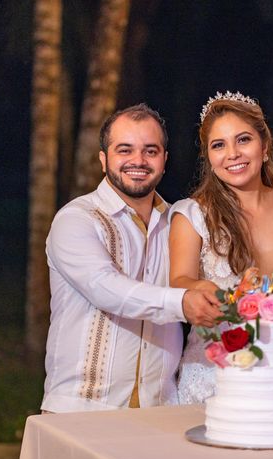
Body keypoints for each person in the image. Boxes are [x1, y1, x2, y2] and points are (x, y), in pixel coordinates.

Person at [41, 104, 221, 413]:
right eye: (125, 150)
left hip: (161, 410)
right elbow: (105, 288)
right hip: (83, 410)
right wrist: (182, 303)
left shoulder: (180, 223)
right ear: (103, 159)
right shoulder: (76, 219)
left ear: (164, 161)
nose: (138, 160)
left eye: (150, 151)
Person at [169, 91, 273, 404]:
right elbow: (178, 281)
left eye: (243, 139)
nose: (232, 153)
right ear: (209, 158)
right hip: (216, 380)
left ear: (264, 147)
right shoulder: (191, 214)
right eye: (219, 145)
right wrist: (212, 291)